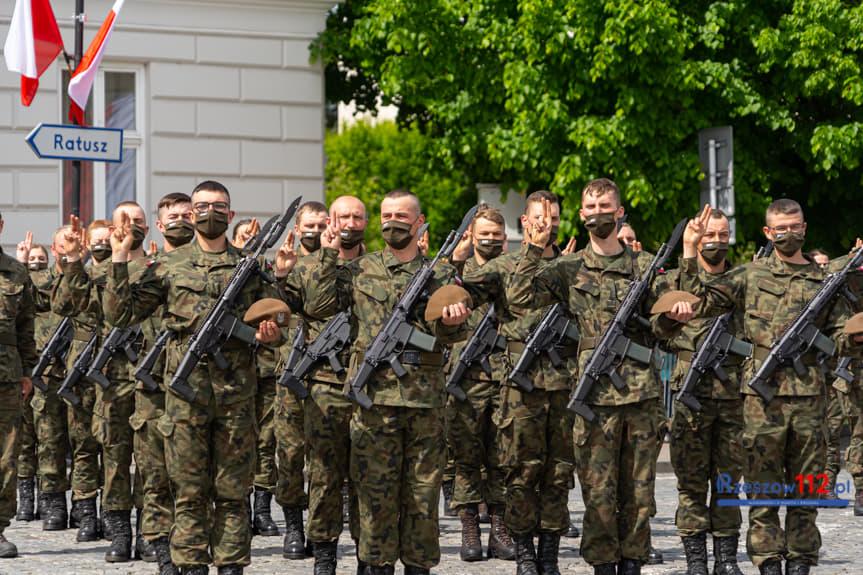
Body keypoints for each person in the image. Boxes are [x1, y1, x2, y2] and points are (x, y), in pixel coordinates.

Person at [75, 180, 282, 575]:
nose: (210, 213)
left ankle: (231, 566)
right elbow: (120, 314)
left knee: (233, 493)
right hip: (186, 398)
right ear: (192, 213)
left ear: (230, 214)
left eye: (218, 207)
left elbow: (276, 320)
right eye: (202, 206)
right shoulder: (168, 265)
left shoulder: (250, 267)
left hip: (236, 398)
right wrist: (119, 258)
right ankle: (190, 566)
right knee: (188, 492)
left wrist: (270, 332)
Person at [506, 179, 695, 575]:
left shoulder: (644, 266)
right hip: (593, 400)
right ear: (581, 214)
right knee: (598, 494)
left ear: (619, 211)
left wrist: (676, 311)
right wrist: (534, 248)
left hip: (641, 398)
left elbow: (665, 325)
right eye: (590, 208)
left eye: (605, 206)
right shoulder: (568, 268)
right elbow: (519, 299)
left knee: (639, 495)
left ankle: (633, 564)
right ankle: (603, 567)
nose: (598, 213)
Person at [680, 200, 859, 575]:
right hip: (761, 404)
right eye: (780, 228)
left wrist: (856, 335)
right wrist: (690, 251)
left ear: (804, 228)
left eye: (794, 226)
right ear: (768, 232)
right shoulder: (749, 275)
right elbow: (701, 300)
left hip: (810, 401)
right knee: (763, 495)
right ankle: (768, 564)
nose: (788, 233)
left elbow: (841, 337)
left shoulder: (824, 280)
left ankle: (800, 564)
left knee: (806, 493)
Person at [301, 189, 470, 575]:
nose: (393, 223)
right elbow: (317, 305)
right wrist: (327, 255)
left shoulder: (440, 274)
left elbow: (452, 335)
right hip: (374, 403)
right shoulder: (360, 269)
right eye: (387, 216)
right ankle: (374, 565)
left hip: (424, 403)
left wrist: (453, 322)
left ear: (419, 222)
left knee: (422, 498)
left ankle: (418, 566)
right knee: (374, 497)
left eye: (401, 216)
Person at [458, 191, 578, 575]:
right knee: (520, 471)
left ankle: (550, 554)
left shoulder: (573, 266)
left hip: (562, 383)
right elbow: (472, 285)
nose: (546, 225)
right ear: (524, 222)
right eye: (539, 218)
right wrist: (532, 252)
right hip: (520, 385)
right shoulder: (505, 265)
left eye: (552, 219)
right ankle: (524, 550)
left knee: (559, 473)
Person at [273, 194, 367, 574]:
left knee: (364, 475)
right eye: (341, 217)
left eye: (356, 217)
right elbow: (312, 307)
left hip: (364, 383)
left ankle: (367, 552)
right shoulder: (307, 267)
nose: (348, 224)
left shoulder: (374, 267)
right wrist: (284, 276)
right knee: (311, 466)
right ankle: (312, 541)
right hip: (316, 382)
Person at [54, 203, 152, 562]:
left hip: (151, 381)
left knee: (150, 463)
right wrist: (73, 260)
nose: (132, 226)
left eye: (138, 221)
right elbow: (68, 305)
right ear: (113, 229)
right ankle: (119, 532)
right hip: (112, 381)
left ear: (148, 227)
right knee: (114, 459)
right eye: (125, 221)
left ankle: (149, 532)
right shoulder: (100, 272)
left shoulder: (160, 270)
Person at [661, 208, 747, 575]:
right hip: (690, 394)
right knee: (691, 483)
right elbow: (659, 329)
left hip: (731, 395)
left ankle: (726, 559)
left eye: (722, 234)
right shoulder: (676, 279)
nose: (716, 241)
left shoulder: (742, 280)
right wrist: (687, 252)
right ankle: (696, 560)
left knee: (727, 483)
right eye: (709, 235)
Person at [445, 205, 515, 562]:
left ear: (504, 239)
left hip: (505, 375)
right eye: (483, 233)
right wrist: (455, 263)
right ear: (471, 235)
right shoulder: (456, 271)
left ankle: (500, 529)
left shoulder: (511, 270)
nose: (489, 239)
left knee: (503, 456)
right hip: (466, 377)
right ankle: (469, 527)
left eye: (495, 235)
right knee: (466, 457)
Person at [132, 192, 195, 575]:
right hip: (153, 387)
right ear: (159, 225)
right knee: (154, 472)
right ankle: (160, 548)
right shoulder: (149, 271)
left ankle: (189, 546)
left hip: (194, 386)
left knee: (190, 475)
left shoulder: (204, 269)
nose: (181, 222)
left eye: (187, 215)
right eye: (173, 217)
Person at [0, 210, 37, 558]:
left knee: (6, 456)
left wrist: (28, 372)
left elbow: (26, 327)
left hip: (7, 376)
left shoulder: (16, 272)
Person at [14, 235, 44, 522]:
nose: (37, 262)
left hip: (20, 376)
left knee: (42, 441)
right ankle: (24, 498)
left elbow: (25, 326)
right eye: (32, 259)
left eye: (40, 258)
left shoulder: (16, 274)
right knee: (21, 443)